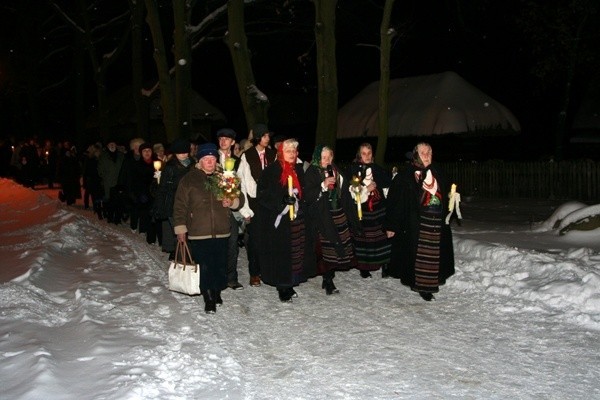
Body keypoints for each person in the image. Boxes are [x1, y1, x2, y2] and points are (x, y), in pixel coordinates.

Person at [173, 143, 244, 314]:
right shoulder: (189, 179)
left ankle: (217, 290)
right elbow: (180, 206)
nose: (210, 162)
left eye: (213, 159)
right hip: (199, 231)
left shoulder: (225, 177)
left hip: (222, 229)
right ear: (200, 161)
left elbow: (239, 197)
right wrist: (181, 229)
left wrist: (232, 201)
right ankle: (209, 297)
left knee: (220, 264)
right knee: (205, 266)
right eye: (206, 159)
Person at [385, 142, 455, 301]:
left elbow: (449, 193)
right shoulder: (405, 177)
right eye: (423, 153)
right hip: (416, 224)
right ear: (416, 154)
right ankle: (421, 286)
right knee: (418, 256)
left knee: (433, 256)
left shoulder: (439, 173)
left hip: (436, 224)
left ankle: (429, 285)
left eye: (429, 152)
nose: (427, 156)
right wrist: (391, 225)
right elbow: (396, 203)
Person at [255, 138, 315, 302]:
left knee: (296, 250)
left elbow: (304, 191)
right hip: (279, 221)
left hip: (297, 218)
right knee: (282, 253)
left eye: (294, 151)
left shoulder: (299, 170)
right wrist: (281, 200)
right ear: (281, 153)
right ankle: (283, 286)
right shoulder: (271, 171)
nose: (292, 154)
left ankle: (292, 281)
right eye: (288, 151)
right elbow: (263, 194)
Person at [304, 145, 358, 295]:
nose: (327, 160)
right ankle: (328, 279)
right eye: (324, 157)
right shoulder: (312, 172)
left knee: (337, 246)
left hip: (338, 213)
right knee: (325, 248)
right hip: (321, 215)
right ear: (317, 158)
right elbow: (307, 195)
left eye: (329, 157)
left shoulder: (336, 170)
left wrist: (354, 190)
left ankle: (330, 274)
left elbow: (345, 189)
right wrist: (322, 185)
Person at [237, 123, 277, 287]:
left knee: (270, 239)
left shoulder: (273, 154)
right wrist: (245, 209)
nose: (268, 139)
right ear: (259, 138)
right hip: (254, 204)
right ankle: (254, 273)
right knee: (254, 240)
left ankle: (268, 271)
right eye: (266, 136)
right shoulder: (247, 156)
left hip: (270, 204)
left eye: (268, 136)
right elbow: (243, 183)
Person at [347, 143, 392, 278]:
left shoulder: (378, 169)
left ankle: (385, 265)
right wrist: (367, 189)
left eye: (369, 153)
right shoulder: (354, 171)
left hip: (379, 209)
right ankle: (364, 267)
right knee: (364, 238)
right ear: (359, 155)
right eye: (364, 153)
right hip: (363, 210)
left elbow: (387, 187)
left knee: (382, 237)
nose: (367, 156)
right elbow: (353, 193)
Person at [151, 138, 193, 260]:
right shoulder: (170, 167)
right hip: (173, 204)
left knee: (190, 232)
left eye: (185, 152)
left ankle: (187, 256)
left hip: (191, 203)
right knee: (180, 233)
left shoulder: (193, 164)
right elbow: (162, 188)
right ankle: (181, 258)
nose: (184, 154)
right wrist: (159, 206)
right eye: (180, 152)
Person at [215, 128, 244, 290]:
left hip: (231, 207)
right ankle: (217, 277)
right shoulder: (211, 158)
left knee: (232, 242)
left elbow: (242, 184)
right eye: (221, 139)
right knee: (217, 243)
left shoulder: (238, 161)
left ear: (233, 142)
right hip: (214, 207)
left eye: (227, 139)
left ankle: (231, 278)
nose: (223, 142)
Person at [98, 138, 125, 224]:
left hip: (119, 182)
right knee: (110, 202)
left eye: (113, 144)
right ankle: (110, 217)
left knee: (119, 202)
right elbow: (100, 170)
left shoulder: (121, 155)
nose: (112, 145)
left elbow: (125, 168)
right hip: (108, 183)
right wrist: (105, 176)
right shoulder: (103, 156)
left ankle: (117, 218)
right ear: (107, 146)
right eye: (110, 144)